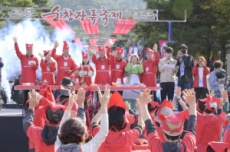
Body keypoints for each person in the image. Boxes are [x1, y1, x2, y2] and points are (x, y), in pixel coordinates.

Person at [55, 85, 110, 152]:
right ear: (84, 134)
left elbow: (103, 132)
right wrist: (104, 105)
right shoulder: (86, 149)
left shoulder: (57, 148)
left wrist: (69, 107)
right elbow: (103, 132)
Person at [13, 36, 39, 107]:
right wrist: (15, 43)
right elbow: (18, 52)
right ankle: (25, 110)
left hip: (32, 82)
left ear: (32, 50)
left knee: (32, 97)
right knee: (25, 96)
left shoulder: (35, 58)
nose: (29, 51)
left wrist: (34, 65)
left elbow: (36, 68)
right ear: (26, 50)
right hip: (24, 81)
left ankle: (32, 110)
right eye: (28, 50)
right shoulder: (23, 57)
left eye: (30, 50)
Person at [176, 44, 194, 111]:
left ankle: (187, 108)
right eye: (181, 49)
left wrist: (184, 56)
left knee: (186, 93)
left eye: (184, 49)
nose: (182, 50)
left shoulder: (189, 57)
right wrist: (178, 56)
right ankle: (180, 109)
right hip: (180, 77)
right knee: (179, 93)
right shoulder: (179, 57)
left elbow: (189, 65)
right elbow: (175, 64)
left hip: (187, 78)